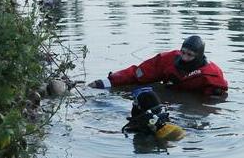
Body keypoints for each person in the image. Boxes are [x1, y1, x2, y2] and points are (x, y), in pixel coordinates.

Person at [89, 35, 228, 96]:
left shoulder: (212, 75)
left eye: (190, 55)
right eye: (183, 53)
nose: (185, 58)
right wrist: (104, 83)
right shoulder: (168, 60)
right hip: (170, 93)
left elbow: (213, 102)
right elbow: (137, 74)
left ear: (198, 56)